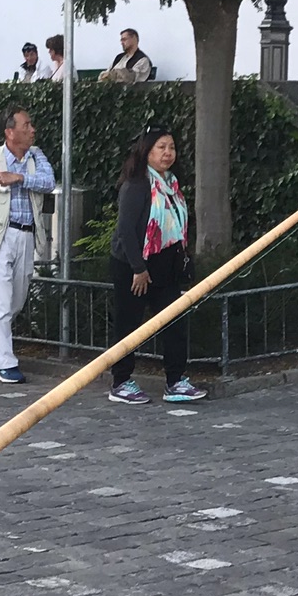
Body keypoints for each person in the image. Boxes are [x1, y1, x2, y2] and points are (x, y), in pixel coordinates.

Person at [107, 126, 206, 406]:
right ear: (147, 152)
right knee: (129, 325)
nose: (167, 153)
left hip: (165, 265)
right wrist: (138, 268)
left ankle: (176, 381)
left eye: (171, 147)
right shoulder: (137, 185)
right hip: (133, 265)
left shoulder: (172, 184)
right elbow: (126, 229)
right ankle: (121, 381)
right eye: (161, 147)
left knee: (174, 323)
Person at [0, 105, 55, 384]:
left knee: (16, 301)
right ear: (10, 132)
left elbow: (49, 182)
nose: (32, 130)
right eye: (27, 125)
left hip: (26, 235)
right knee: (0, 304)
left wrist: (19, 178)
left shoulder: (36, 156)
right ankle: (5, 364)